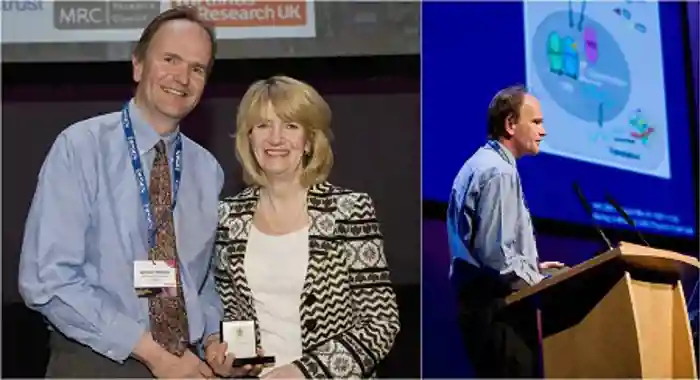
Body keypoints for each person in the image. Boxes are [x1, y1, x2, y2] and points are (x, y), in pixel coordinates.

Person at [18, 6, 230, 378]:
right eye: (170, 59)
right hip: (97, 360)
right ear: (137, 65)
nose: (182, 77)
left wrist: (214, 338)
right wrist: (152, 352)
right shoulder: (80, 147)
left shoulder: (207, 170)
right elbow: (47, 280)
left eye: (197, 68)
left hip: (187, 364)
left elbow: (202, 279)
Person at [205, 76, 401, 379]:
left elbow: (380, 324)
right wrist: (224, 353)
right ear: (249, 137)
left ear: (309, 141)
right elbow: (230, 315)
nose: (275, 138)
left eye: (290, 126)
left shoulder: (348, 210)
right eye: (263, 126)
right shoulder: (227, 217)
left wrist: (303, 372)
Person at [446, 85, 566, 377]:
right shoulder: (499, 171)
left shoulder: (482, 163)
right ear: (511, 124)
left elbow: (490, 248)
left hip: (486, 307)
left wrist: (530, 266)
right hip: (499, 311)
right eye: (536, 122)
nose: (544, 131)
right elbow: (496, 258)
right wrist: (538, 279)